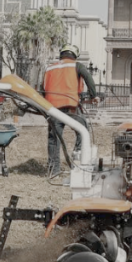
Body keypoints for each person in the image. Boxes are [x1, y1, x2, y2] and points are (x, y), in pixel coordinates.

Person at [42, 44, 99, 177]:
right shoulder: (77, 65)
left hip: (53, 108)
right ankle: (78, 160)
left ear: (61, 54)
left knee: (54, 139)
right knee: (83, 131)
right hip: (71, 106)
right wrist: (93, 95)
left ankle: (53, 170)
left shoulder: (50, 68)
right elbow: (88, 78)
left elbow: (43, 87)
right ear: (75, 55)